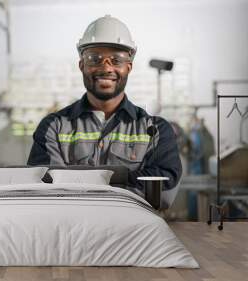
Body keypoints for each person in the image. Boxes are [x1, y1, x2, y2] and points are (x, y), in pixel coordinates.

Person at [27, 15, 182, 193]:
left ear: (129, 68)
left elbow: (162, 192)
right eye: (95, 59)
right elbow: (43, 188)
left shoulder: (156, 131)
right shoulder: (53, 127)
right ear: (82, 65)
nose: (106, 68)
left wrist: (80, 184)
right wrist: (124, 181)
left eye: (116, 60)